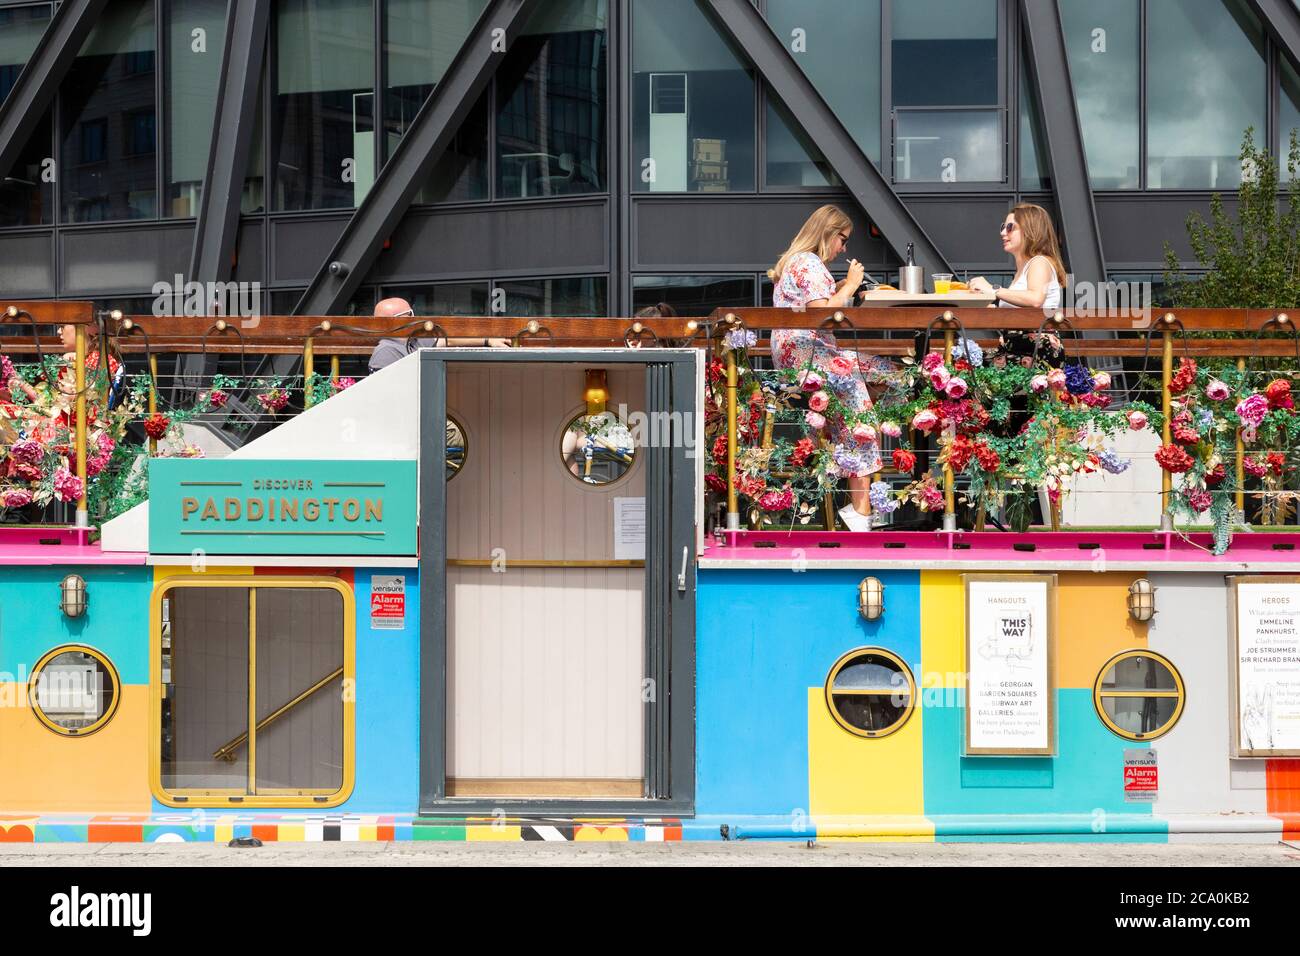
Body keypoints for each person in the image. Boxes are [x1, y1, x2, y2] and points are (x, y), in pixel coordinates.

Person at [768, 204, 891, 532]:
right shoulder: (808, 262)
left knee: (871, 389)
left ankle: (859, 504)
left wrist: (837, 288)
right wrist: (850, 285)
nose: (844, 248)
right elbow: (819, 313)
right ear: (827, 233)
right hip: (810, 357)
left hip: (802, 357)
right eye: (843, 239)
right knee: (890, 375)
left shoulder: (798, 264)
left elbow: (813, 304)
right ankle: (861, 509)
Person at [367, 297, 511, 374]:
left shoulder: (415, 340)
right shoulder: (386, 351)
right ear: (399, 319)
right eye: (410, 314)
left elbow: (448, 341)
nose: (414, 317)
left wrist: (488, 340)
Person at [967, 203, 1066, 311]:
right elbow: (1023, 313)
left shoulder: (1039, 263)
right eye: (1003, 227)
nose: (1003, 232)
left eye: (1010, 227)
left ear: (1030, 230)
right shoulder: (1024, 269)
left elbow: (1036, 299)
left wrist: (992, 289)